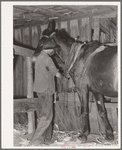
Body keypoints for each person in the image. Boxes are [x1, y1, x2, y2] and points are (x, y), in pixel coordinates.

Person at [31, 49, 61, 145]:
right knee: (47, 117)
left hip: (39, 89)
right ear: (49, 48)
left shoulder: (38, 57)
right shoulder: (48, 59)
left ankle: (47, 139)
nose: (53, 50)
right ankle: (35, 139)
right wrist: (66, 77)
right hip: (47, 90)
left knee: (44, 114)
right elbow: (56, 73)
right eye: (52, 48)